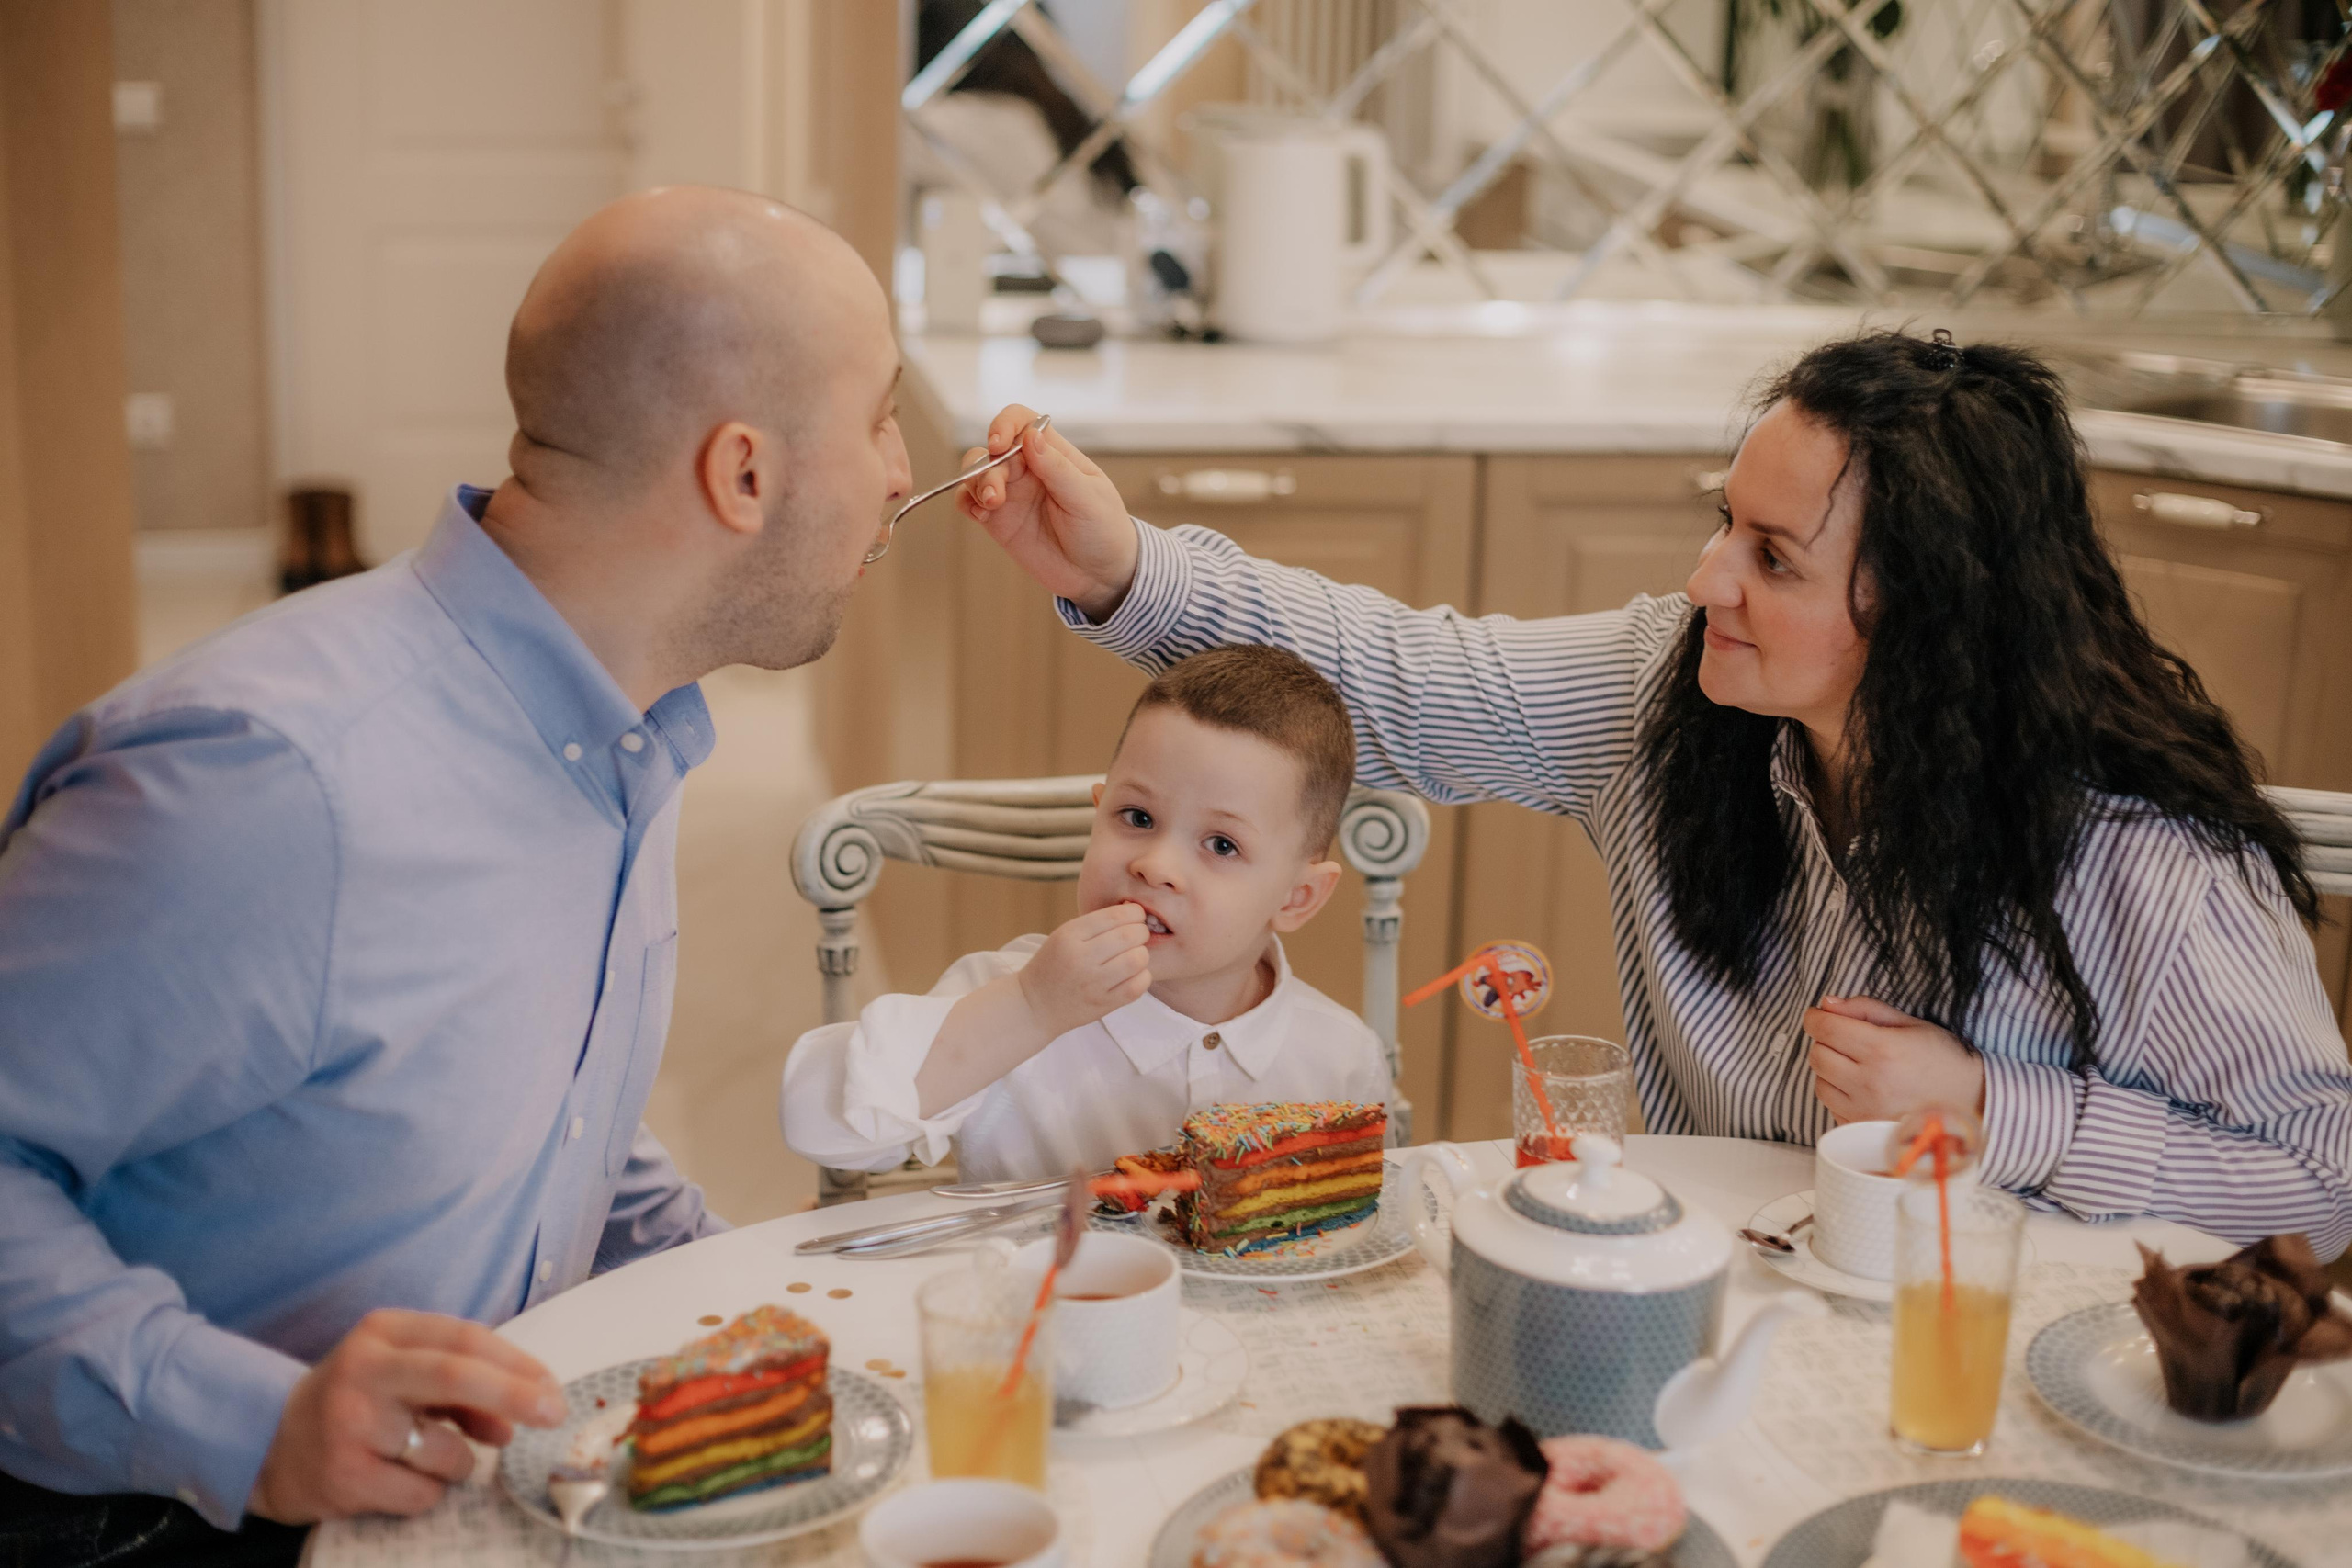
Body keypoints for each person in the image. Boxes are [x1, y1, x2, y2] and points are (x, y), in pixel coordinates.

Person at [955, 328, 2352, 1258]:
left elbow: (2323, 1178)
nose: (1705, 581)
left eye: (1774, 559)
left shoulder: (2136, 853)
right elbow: (1403, 675)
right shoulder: (1667, 690)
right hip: (1690, 1296)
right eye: (1723, 523)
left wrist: (1996, 1106)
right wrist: (1124, 570)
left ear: (1930, 618)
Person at [0, 186, 911, 1566]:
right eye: (881, 418)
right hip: (148, 1524)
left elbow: (524, 1109)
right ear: (743, 474)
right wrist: (255, 1424)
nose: (902, 473)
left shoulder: (623, 722)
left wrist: (738, 1288)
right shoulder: (272, 778)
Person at [781, 645, 1391, 1184]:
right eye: (1137, 817)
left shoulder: (1339, 1059)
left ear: (1296, 897)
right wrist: (1029, 1009)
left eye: (1222, 845)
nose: (1155, 864)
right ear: (1098, 812)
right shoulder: (1007, 991)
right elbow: (814, 1120)